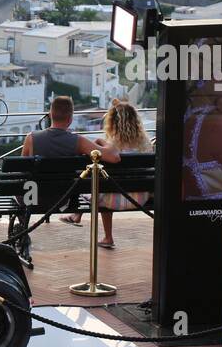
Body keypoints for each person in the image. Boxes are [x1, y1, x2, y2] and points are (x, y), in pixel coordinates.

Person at [14, 96, 120, 260]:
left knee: (22, 189)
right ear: (70, 119)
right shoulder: (78, 141)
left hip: (32, 198)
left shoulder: (31, 138)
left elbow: (23, 171)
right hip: (63, 200)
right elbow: (114, 157)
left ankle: (22, 231)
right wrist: (107, 143)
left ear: (50, 114)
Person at [61, 99, 153, 249]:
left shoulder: (111, 146)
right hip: (140, 197)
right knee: (106, 185)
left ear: (112, 122)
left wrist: (99, 141)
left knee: (102, 185)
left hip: (113, 200)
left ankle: (106, 235)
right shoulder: (146, 143)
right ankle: (80, 217)